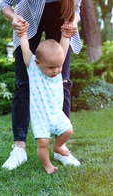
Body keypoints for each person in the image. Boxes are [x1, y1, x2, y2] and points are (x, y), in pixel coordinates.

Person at [0, 0, 86, 170]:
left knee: (63, 80)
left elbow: (76, 8)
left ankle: (60, 148)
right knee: (23, 83)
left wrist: (73, 25)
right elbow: (5, 4)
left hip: (61, 19)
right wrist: (14, 19)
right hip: (28, 21)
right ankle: (19, 148)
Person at [18, 21, 73, 174]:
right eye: (51, 67)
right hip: (40, 117)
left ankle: (58, 146)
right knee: (43, 142)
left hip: (56, 114)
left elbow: (63, 48)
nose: (56, 71)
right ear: (38, 62)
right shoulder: (33, 68)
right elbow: (25, 50)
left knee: (68, 130)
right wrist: (22, 35)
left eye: (59, 66)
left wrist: (65, 34)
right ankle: (47, 165)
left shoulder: (57, 67)